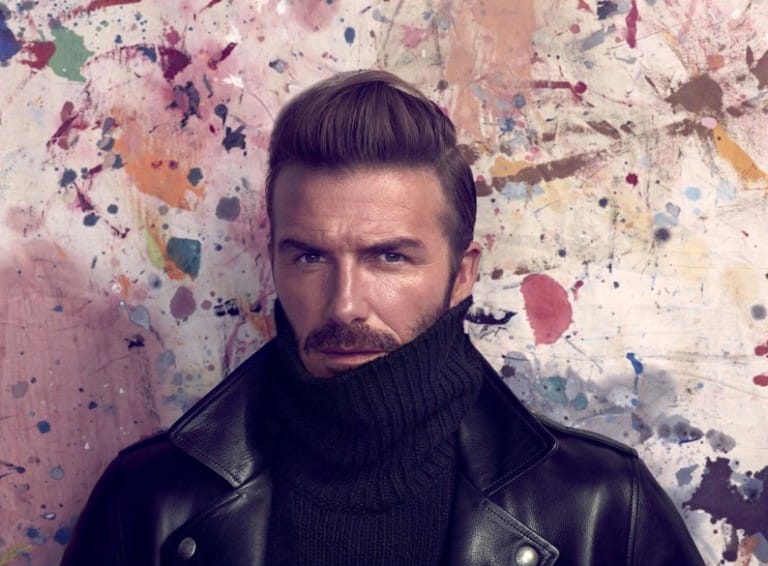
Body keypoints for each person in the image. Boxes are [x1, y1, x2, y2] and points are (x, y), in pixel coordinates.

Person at [61, 70, 705, 566]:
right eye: (309, 256)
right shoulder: (149, 499)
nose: (344, 303)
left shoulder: (600, 507)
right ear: (274, 260)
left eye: (389, 257)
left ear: (462, 275)